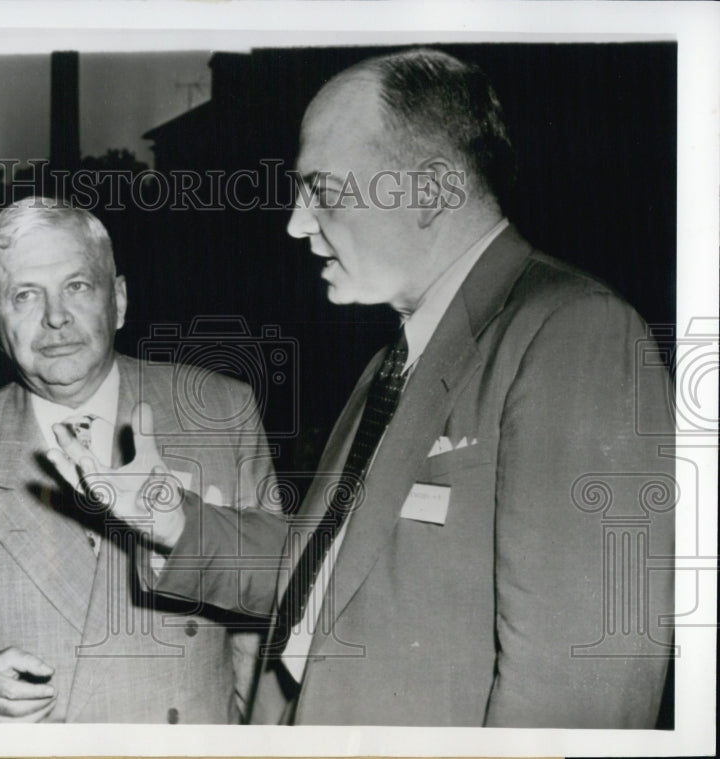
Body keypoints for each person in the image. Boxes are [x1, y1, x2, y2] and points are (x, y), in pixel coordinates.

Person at [49, 48, 675, 727]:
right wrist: (171, 518)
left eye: (322, 189)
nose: (296, 222)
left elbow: (580, 698)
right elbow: (331, 571)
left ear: (431, 190)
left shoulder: (575, 335)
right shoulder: (400, 354)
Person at [0, 199, 278, 723]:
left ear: (119, 301)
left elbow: (285, 584)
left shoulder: (220, 410)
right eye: (25, 295)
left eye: (77, 286)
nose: (56, 317)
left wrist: (239, 722)